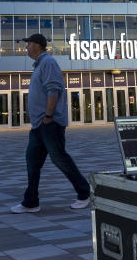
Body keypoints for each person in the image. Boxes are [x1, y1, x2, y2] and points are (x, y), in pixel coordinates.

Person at [11, 33, 91, 214]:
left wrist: (48, 115)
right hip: (39, 125)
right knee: (32, 160)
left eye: (28, 44)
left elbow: (53, 89)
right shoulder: (40, 65)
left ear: (37, 45)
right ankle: (31, 202)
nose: (26, 48)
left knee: (59, 158)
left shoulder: (48, 63)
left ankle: (85, 192)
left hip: (49, 123)